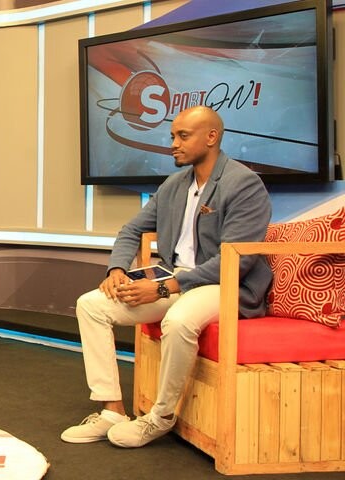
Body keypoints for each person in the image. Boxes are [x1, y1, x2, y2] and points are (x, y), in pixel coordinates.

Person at [60, 106, 272, 448]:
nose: (173, 143)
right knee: (91, 305)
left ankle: (160, 417)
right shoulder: (174, 185)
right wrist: (117, 270)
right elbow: (131, 230)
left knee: (179, 319)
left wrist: (163, 288)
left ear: (212, 137)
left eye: (183, 136)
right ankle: (112, 410)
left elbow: (237, 259)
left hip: (225, 284)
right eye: (173, 136)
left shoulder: (244, 184)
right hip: (175, 279)